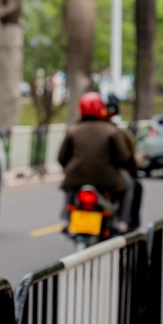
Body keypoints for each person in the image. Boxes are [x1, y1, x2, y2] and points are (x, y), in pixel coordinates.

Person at [57, 92, 134, 229]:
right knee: (128, 184)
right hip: (108, 179)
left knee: (70, 185)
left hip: (76, 176)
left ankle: (65, 216)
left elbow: (62, 158)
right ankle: (123, 220)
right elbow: (123, 158)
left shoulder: (73, 130)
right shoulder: (112, 130)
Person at [105, 94, 143, 230]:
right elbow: (126, 157)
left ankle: (65, 218)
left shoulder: (76, 128)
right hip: (111, 175)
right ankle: (125, 221)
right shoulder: (118, 132)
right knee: (132, 185)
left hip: (81, 174)